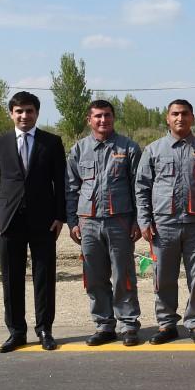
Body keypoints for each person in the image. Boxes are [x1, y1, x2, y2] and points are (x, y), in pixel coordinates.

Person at [135, 99, 195, 345]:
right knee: (162, 276)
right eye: (175, 114)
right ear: (167, 118)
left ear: (192, 117)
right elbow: (142, 188)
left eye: (185, 114)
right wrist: (144, 221)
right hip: (163, 225)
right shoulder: (153, 150)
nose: (180, 118)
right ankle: (166, 325)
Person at [0, 91, 66, 353]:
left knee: (44, 277)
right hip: (8, 222)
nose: (24, 115)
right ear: (11, 114)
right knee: (12, 278)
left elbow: (60, 183)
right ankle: (16, 332)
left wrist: (60, 216)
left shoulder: (51, 142)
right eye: (19, 111)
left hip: (44, 222)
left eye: (29, 111)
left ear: (37, 113)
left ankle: (44, 329)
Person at [65, 100, 143, 346]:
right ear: (89, 120)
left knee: (124, 275)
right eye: (98, 116)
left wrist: (138, 221)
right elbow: (71, 188)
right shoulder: (79, 150)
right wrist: (72, 222)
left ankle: (128, 324)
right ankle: (104, 325)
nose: (103, 120)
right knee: (94, 276)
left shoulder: (129, 148)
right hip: (88, 223)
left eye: (107, 115)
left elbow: (138, 188)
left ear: (113, 118)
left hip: (119, 221)